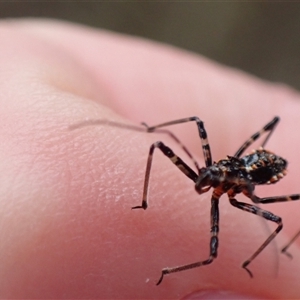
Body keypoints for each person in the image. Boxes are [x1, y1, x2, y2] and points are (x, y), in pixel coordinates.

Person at [1, 19, 300, 299]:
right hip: (244, 163)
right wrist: (152, 133)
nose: (200, 181)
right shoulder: (209, 171)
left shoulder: (232, 195)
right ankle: (145, 199)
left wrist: (251, 251)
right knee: (168, 137)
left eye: (207, 179)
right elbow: (170, 139)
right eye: (204, 175)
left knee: (229, 245)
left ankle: (243, 261)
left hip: (254, 172)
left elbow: (250, 203)